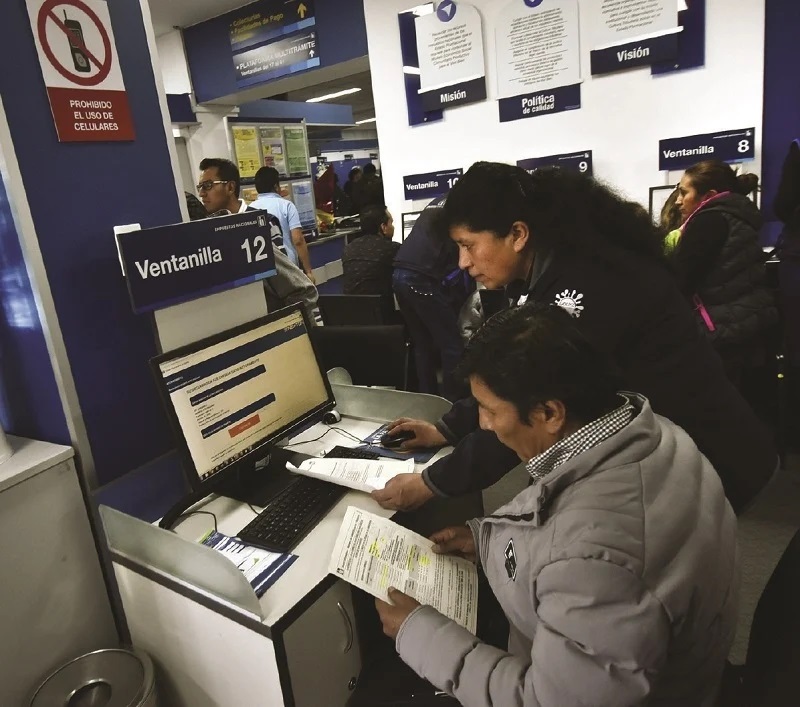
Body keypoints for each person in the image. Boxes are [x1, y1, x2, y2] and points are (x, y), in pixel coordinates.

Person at [375, 304, 738, 707]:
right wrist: (488, 542)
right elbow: (564, 535)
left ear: (549, 412)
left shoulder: (600, 557)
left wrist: (419, 633)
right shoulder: (652, 435)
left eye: (490, 410)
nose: (483, 425)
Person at [375, 162, 777, 515]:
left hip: (705, 458)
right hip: (665, 453)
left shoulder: (586, 285)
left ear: (517, 234)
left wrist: (431, 483)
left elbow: (523, 405)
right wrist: (448, 428)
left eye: (468, 246)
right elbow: (507, 376)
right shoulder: (557, 268)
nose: (463, 262)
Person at [671, 160, 778, 381]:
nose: (678, 201)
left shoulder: (707, 221)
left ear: (709, 195)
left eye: (684, 192)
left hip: (720, 330)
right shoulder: (739, 217)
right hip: (747, 324)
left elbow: (682, 279)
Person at [198, 159, 318, 322]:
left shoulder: (260, 224)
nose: (202, 193)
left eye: (208, 186)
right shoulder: (213, 233)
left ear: (230, 187)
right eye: (200, 187)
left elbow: (289, 282)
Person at [392, 197, 474, 401]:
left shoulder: (437, 203)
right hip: (420, 277)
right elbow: (458, 264)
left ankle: (428, 399)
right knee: (452, 344)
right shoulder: (460, 209)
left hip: (399, 273)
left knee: (422, 342)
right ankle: (451, 402)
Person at [251, 166, 315, 283]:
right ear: (276, 186)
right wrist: (308, 271)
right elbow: (298, 240)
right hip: (288, 266)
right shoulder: (286, 205)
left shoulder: (250, 209)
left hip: (264, 270)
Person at [342, 205, 399, 299]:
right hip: (381, 310)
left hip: (351, 310)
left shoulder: (349, 248)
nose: (393, 227)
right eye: (391, 223)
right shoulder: (392, 248)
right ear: (383, 227)